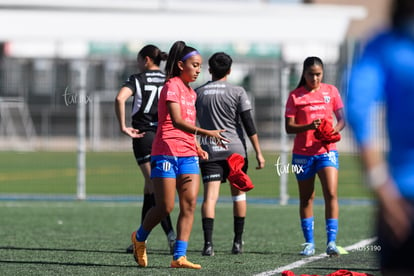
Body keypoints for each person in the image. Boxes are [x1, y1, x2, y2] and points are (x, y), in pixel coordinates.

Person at [130, 41, 229, 269]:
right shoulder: (171, 86)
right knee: (165, 207)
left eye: (200, 66)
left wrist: (197, 145)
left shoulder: (191, 93)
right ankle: (139, 237)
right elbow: (176, 121)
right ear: (180, 65)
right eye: (194, 65)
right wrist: (206, 133)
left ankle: (179, 257)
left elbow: (189, 123)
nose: (198, 70)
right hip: (165, 152)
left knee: (190, 204)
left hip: (188, 154)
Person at [346, 0, 414, 274]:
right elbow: (357, 110)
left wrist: (381, 185)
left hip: (399, 197)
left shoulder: (382, 46)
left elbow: (357, 110)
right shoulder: (385, 47)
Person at [195, 52, 265, 256]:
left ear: (209, 69)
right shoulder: (238, 91)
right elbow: (248, 124)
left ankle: (208, 245)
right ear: (230, 70)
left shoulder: (198, 92)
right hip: (236, 152)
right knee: (238, 197)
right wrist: (259, 153)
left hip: (209, 151)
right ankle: (237, 242)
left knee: (210, 198)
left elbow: (191, 124)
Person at [114, 44, 176, 254]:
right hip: (165, 136)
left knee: (155, 188)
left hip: (143, 136)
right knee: (150, 188)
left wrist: (123, 126)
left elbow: (120, 98)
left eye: (139, 59)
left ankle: (171, 236)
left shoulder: (137, 78)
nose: (137, 63)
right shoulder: (169, 79)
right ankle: (140, 239)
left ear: (147, 59)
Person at [284, 56, 345, 256]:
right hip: (302, 154)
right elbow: (288, 127)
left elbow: (342, 119)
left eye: (318, 74)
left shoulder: (331, 91)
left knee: (331, 193)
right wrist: (309, 127)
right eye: (311, 74)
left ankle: (331, 242)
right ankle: (309, 243)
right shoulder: (295, 96)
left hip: (327, 151)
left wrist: (333, 132)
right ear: (304, 73)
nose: (315, 78)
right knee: (306, 198)